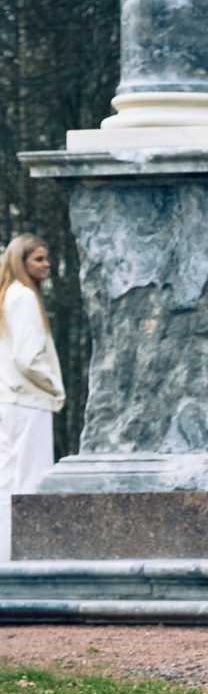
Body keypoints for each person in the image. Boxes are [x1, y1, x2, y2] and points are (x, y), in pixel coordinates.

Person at [0, 235, 62, 560]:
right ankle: (24, 558)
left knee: (7, 481)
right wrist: (53, 385)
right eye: (39, 258)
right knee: (29, 481)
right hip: (28, 401)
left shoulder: (6, 295)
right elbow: (27, 358)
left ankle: (6, 556)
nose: (46, 264)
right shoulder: (23, 296)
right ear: (21, 262)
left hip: (9, 401)